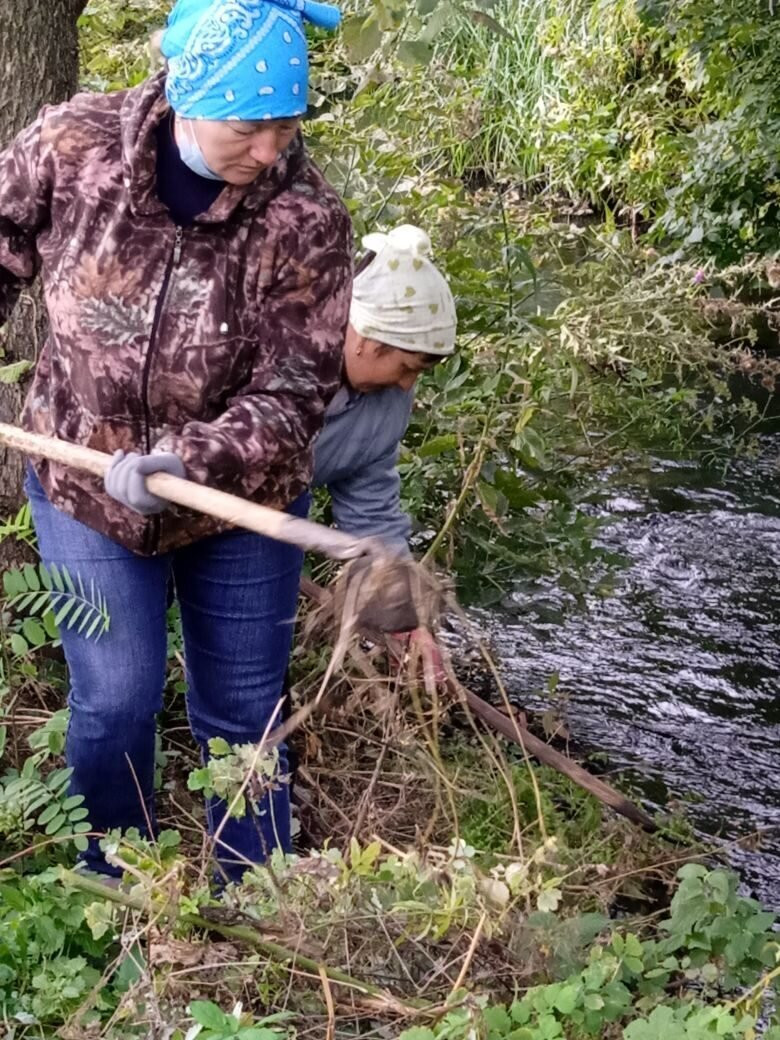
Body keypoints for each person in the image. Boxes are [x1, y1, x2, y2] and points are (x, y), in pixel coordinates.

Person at [0, 0, 353, 882]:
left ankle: (257, 891)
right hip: (84, 488)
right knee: (115, 699)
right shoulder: (71, 148)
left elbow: (297, 388)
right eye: (250, 125)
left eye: (286, 125)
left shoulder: (305, 219)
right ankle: (117, 880)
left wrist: (189, 463)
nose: (271, 149)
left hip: (242, 503)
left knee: (243, 708)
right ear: (189, 95)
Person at [312, 223, 458, 659]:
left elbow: (371, 502)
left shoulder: (388, 403)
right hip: (180, 496)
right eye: (406, 366)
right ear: (365, 340)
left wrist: (405, 621)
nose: (408, 384)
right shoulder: (289, 359)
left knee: (248, 676)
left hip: (272, 517)